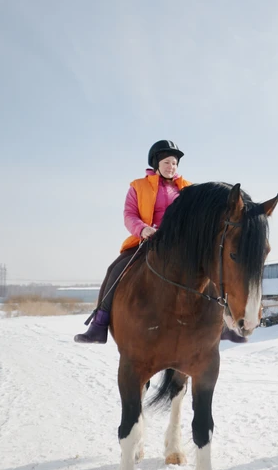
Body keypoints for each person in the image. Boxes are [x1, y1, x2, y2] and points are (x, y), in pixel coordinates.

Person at [74, 140, 192, 343]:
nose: (171, 167)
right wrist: (143, 229)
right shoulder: (138, 187)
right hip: (147, 241)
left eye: (174, 163)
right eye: (167, 162)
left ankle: (224, 323)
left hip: (180, 244)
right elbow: (129, 214)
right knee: (114, 270)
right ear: (156, 163)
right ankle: (99, 325)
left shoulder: (188, 189)